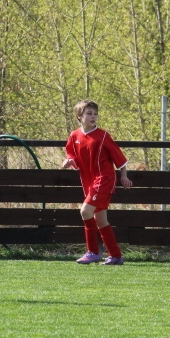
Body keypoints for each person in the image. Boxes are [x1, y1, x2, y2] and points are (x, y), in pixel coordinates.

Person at [62, 99, 132, 265]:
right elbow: (72, 155)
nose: (93, 116)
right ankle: (116, 256)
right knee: (101, 220)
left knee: (85, 212)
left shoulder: (103, 136)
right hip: (89, 182)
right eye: (89, 113)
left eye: (95, 113)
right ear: (79, 116)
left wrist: (124, 175)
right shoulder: (74, 136)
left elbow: (119, 158)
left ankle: (92, 251)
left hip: (104, 180)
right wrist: (68, 162)